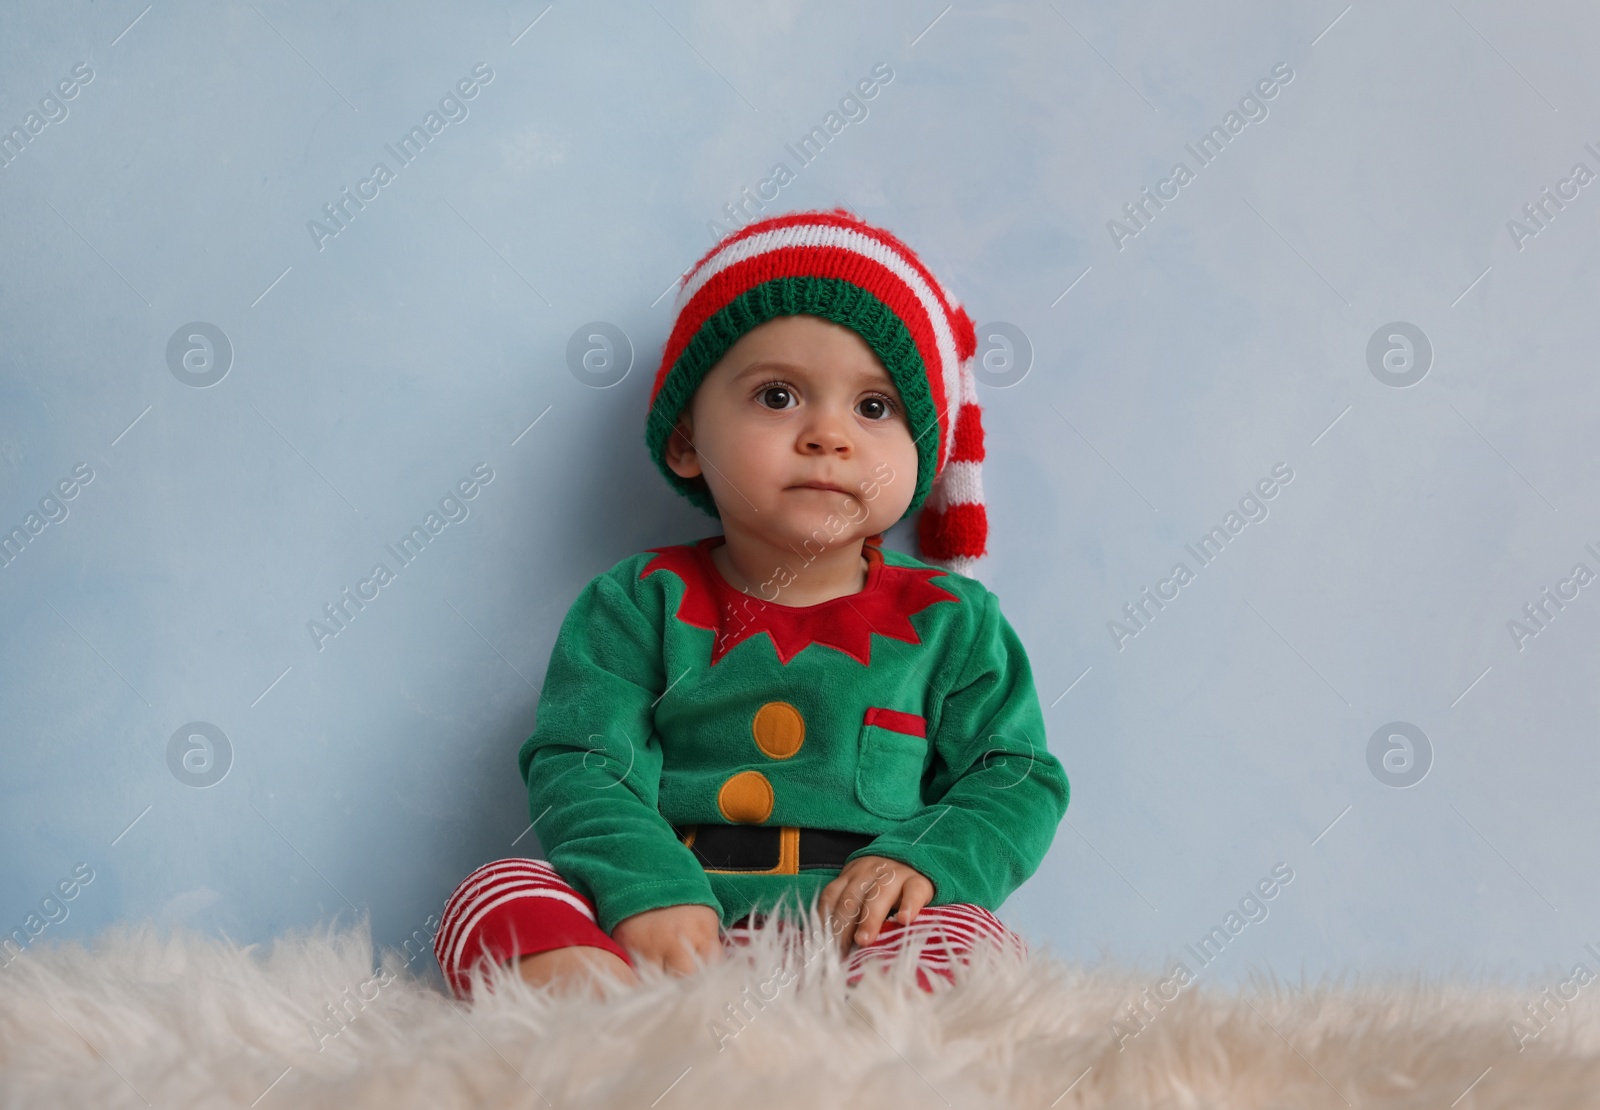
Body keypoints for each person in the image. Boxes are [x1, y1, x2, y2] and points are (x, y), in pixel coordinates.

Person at [433, 207, 1071, 999]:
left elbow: (1013, 777)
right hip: (664, 935)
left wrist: (924, 859)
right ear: (686, 442)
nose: (827, 436)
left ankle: (868, 1055)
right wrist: (648, 889)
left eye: (875, 408)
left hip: (855, 940)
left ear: (924, 457)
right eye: (777, 396)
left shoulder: (954, 623)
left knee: (974, 941)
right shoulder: (637, 604)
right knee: (494, 895)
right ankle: (606, 1027)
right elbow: (585, 766)